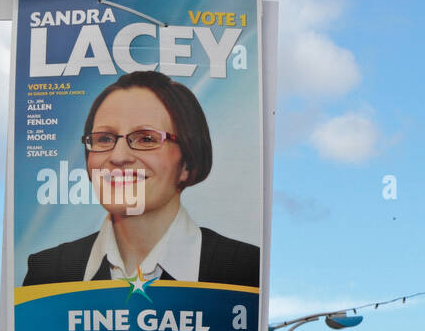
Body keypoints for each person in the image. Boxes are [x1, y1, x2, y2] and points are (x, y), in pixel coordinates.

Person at [23, 71, 259, 288]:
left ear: (188, 163)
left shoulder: (244, 269)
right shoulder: (48, 271)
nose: (118, 156)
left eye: (146, 139)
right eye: (104, 139)